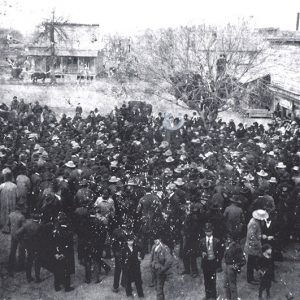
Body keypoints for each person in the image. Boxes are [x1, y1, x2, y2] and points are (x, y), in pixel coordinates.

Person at [51, 212, 75, 292]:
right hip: (65, 253)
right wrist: (64, 254)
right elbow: (70, 244)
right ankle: (67, 287)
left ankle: (56, 286)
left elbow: (52, 243)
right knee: (67, 270)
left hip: (56, 252)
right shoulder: (68, 232)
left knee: (57, 269)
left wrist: (55, 253)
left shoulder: (54, 231)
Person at [244, 209, 269, 284]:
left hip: (253, 245)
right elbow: (251, 236)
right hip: (252, 246)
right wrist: (258, 245)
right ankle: (250, 278)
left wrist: (261, 236)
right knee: (251, 263)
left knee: (253, 262)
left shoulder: (255, 222)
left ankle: (253, 276)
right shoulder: (254, 224)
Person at [199, 222, 222, 300]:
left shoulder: (217, 241)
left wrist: (218, 264)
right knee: (206, 280)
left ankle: (213, 295)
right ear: (204, 231)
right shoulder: (202, 241)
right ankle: (208, 295)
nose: (208, 232)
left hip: (213, 262)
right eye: (206, 231)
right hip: (205, 263)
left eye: (209, 231)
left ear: (212, 231)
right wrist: (201, 253)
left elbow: (220, 254)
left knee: (213, 279)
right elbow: (199, 250)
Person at [150, 232, 173, 300]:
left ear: (160, 239)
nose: (156, 241)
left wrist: (163, 269)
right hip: (154, 270)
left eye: (157, 240)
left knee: (159, 288)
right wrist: (151, 266)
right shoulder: (153, 247)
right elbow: (152, 258)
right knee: (157, 287)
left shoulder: (165, 248)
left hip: (161, 271)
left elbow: (169, 261)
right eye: (154, 240)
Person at [223, 233, 246, 300]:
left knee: (232, 285)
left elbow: (243, 260)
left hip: (231, 267)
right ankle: (228, 298)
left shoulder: (237, 247)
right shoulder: (227, 245)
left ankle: (234, 298)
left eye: (230, 238)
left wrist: (237, 265)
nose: (228, 239)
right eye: (227, 238)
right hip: (227, 266)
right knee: (226, 285)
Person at [121, 232, 144, 298]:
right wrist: (123, 265)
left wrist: (141, 257)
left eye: (132, 240)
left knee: (138, 281)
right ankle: (129, 294)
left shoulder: (136, 247)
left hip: (136, 266)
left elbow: (142, 252)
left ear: (133, 241)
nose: (130, 242)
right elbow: (121, 258)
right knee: (128, 281)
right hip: (127, 267)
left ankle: (141, 294)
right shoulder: (124, 248)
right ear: (126, 241)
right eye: (129, 241)